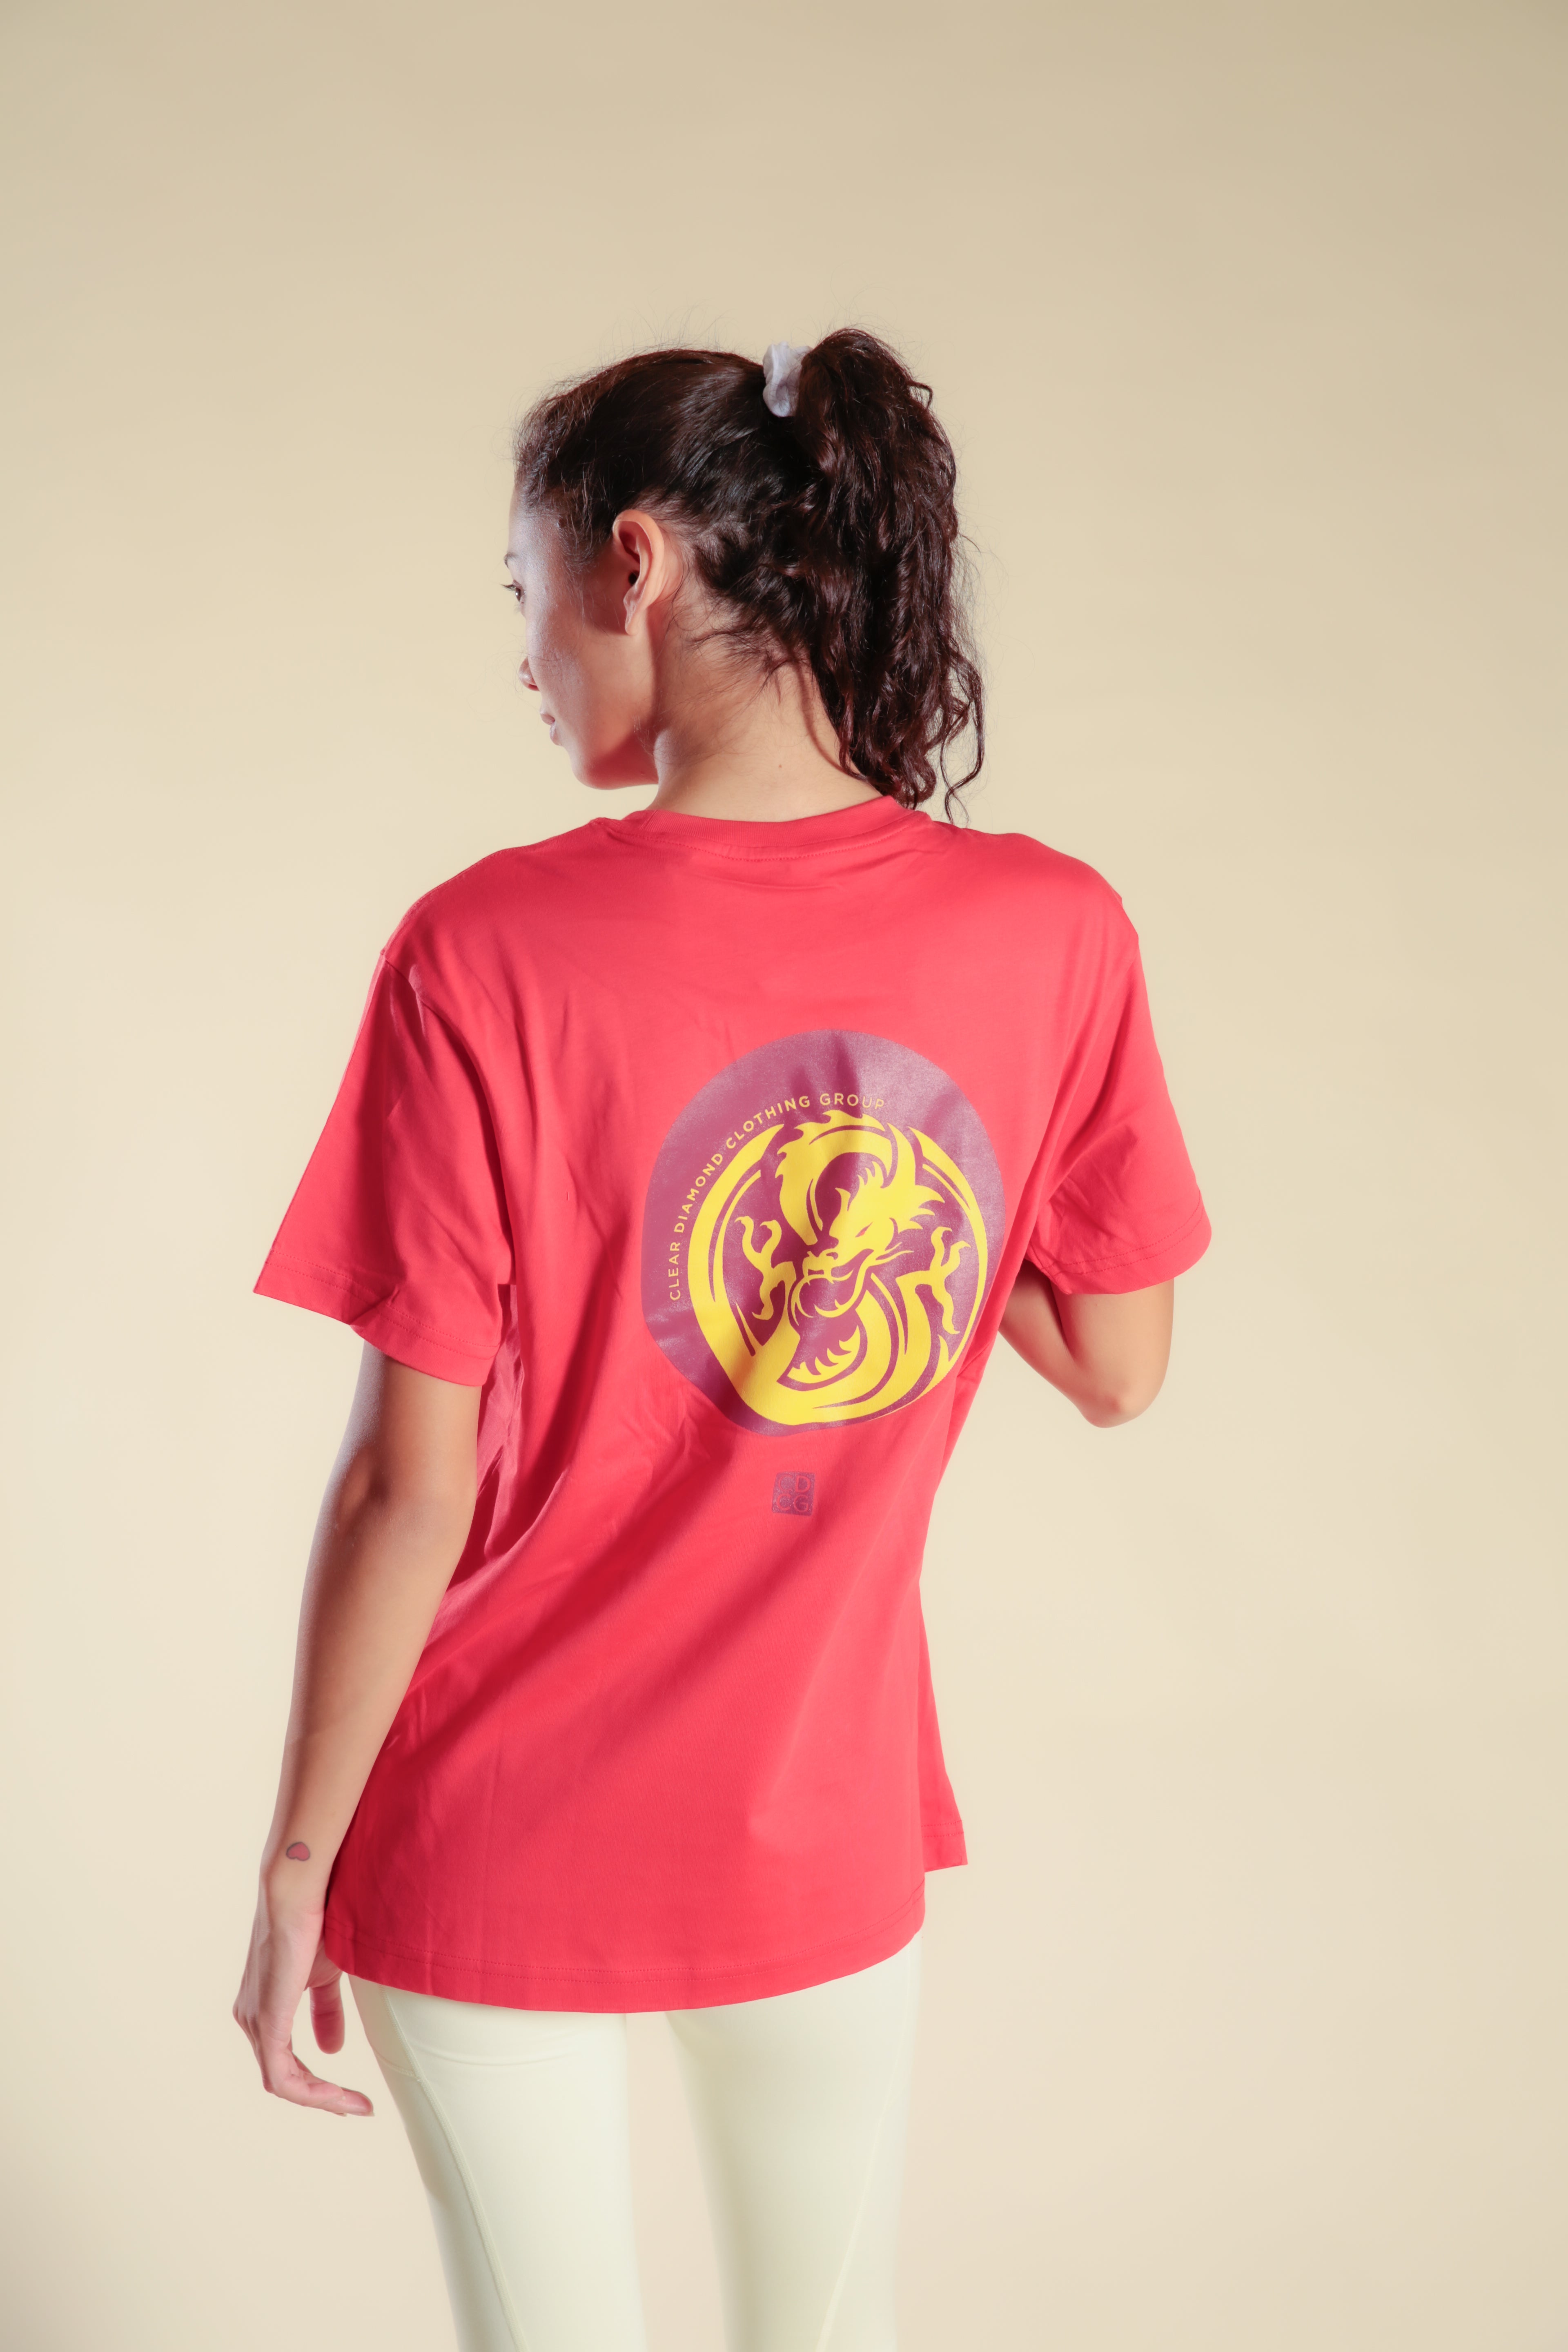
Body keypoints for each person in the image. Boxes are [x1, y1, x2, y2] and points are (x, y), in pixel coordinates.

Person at [233, 330, 1210, 2352]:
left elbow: (408, 1485)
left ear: (638, 564)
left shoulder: (482, 949)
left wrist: (298, 1858)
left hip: (489, 1820)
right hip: (812, 1813)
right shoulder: (1051, 933)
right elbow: (1122, 1365)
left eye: (524, 588)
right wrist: (921, 1158)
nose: (521, 655)